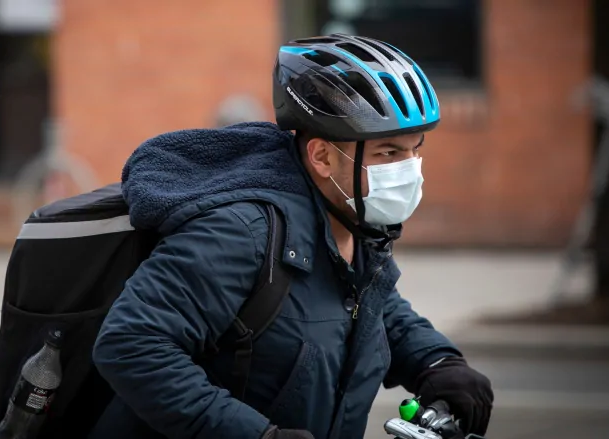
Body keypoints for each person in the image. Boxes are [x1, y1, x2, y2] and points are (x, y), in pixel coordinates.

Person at [90, 34, 493, 439]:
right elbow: (132, 344)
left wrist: (437, 363)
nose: (409, 168)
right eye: (388, 153)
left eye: (415, 149)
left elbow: (371, 307)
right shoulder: (240, 232)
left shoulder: (353, 223)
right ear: (322, 156)